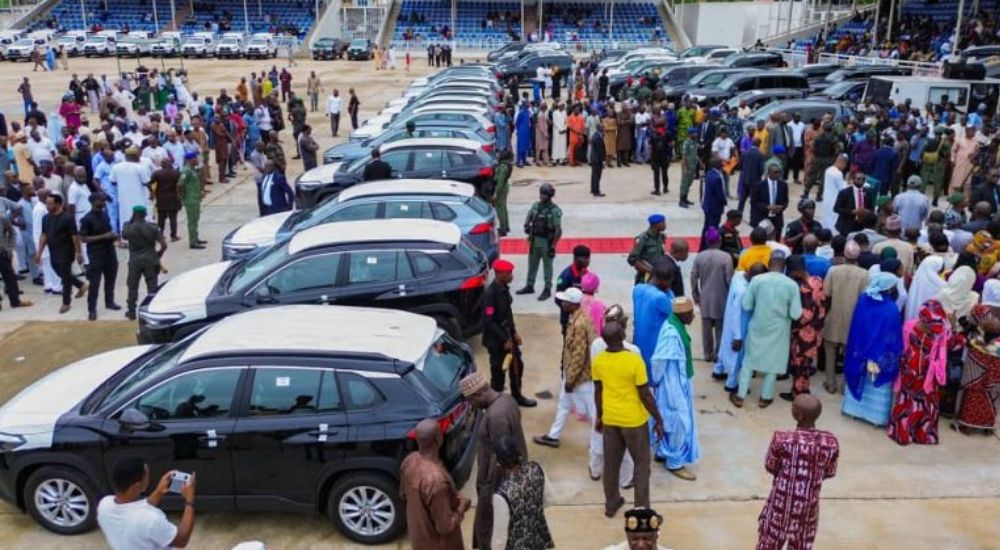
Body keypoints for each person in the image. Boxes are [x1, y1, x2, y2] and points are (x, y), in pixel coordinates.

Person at [593, 321, 665, 517]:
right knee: (641, 467)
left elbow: (598, 391)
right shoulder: (634, 361)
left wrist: (600, 416)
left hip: (611, 419)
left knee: (611, 464)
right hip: (634, 422)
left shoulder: (599, 361)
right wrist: (658, 419)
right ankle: (641, 511)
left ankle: (611, 503)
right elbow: (645, 394)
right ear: (623, 336)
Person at [756, 394, 839, 550]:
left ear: (799, 416)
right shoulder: (830, 442)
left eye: (793, 407)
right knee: (802, 543)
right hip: (808, 508)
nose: (791, 409)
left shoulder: (781, 439)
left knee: (769, 541)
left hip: (780, 505)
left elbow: (770, 466)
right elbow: (829, 472)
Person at [461, 371, 527, 550]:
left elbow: (503, 461)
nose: (472, 405)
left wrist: (488, 492)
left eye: (471, 401)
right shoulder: (506, 400)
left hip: (496, 484)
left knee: (489, 528)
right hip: (502, 480)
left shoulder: (496, 418)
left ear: (479, 394)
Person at [888, 298, 962, 446]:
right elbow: (955, 345)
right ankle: (918, 434)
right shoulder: (936, 330)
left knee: (912, 401)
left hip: (920, 372)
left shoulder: (915, 326)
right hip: (918, 372)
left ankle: (905, 432)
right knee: (920, 402)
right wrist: (953, 330)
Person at [732, 251, 802, 408]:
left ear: (769, 264)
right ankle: (765, 397)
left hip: (758, 326)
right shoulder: (791, 285)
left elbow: (746, 305)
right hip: (779, 330)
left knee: (749, 360)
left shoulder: (757, 280)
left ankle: (740, 395)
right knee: (773, 364)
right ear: (784, 267)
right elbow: (796, 314)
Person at [534, 286, 596, 449]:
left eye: (565, 301)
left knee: (591, 412)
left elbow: (579, 354)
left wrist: (571, 379)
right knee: (564, 405)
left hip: (580, 377)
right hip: (571, 374)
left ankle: (600, 442)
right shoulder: (576, 317)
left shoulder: (579, 324)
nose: (562, 303)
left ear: (572, 304)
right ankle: (553, 436)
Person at [840, 272, 904, 426]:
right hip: (881, 353)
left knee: (859, 375)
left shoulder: (863, 300)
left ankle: (852, 410)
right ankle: (876, 418)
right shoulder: (891, 309)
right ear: (889, 289)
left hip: (859, 349)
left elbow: (857, 325)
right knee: (878, 387)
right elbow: (892, 334)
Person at [649, 296, 700, 480]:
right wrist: (657, 381)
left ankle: (663, 451)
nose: (693, 317)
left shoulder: (676, 325)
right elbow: (659, 360)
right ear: (682, 314)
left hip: (679, 381)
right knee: (678, 422)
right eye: (691, 313)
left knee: (668, 418)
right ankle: (675, 462)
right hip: (672, 385)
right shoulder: (671, 333)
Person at [399, 419, 470, 550]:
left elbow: (403, 495)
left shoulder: (409, 460)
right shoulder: (436, 482)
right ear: (438, 438)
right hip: (440, 545)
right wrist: (461, 506)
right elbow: (445, 527)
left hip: (419, 540)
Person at [97, 458, 196, 550]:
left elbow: (137, 509)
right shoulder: (151, 519)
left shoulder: (104, 504)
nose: (149, 477)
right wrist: (189, 500)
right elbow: (181, 540)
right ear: (136, 486)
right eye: (147, 475)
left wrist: (159, 491)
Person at [482, 259, 535, 407]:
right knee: (499, 372)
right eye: (508, 273)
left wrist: (514, 332)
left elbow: (507, 314)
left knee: (517, 367)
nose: (511, 276)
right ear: (499, 274)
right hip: (496, 341)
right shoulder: (490, 294)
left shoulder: (504, 288)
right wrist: (504, 339)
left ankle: (517, 396)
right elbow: (488, 321)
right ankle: (495, 403)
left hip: (508, 337)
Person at [821, 240, 870, 394]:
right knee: (850, 353)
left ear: (844, 254)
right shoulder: (864, 274)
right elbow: (864, 299)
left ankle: (830, 382)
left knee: (830, 351)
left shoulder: (833, 270)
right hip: (853, 319)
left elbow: (826, 295)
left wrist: (825, 314)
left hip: (834, 315)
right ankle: (845, 384)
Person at [491, 435, 554, 550]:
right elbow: (549, 499)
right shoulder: (536, 469)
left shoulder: (501, 495)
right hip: (538, 542)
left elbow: (499, 540)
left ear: (499, 463)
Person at [779, 255, 827, 401]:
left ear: (796, 271)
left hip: (804, 333)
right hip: (817, 329)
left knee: (798, 363)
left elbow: (805, 315)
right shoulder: (817, 280)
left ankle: (797, 393)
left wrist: (793, 328)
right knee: (806, 364)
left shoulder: (803, 288)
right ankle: (805, 389)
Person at [35, 193, 86, 314]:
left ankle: (66, 302)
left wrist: (79, 253)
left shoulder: (68, 218)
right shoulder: (46, 218)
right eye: (47, 203)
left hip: (66, 251)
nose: (47, 206)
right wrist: (39, 253)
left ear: (58, 204)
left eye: (50, 203)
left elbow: (75, 236)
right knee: (60, 272)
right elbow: (44, 236)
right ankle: (81, 285)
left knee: (65, 276)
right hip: (54, 250)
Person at [691, 227, 733, 362]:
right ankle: (718, 353)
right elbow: (729, 279)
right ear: (719, 240)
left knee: (706, 329)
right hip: (722, 297)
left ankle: (707, 354)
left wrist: (695, 293)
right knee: (721, 328)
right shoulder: (726, 257)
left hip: (705, 298)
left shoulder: (700, 256)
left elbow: (693, 276)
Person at [78, 192, 120, 320]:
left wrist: (114, 237)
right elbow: (83, 239)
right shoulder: (86, 219)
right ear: (94, 202)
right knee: (95, 283)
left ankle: (109, 302)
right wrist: (104, 236)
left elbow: (108, 232)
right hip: (96, 254)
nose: (103, 202)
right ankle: (92, 309)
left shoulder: (105, 215)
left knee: (110, 279)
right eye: (101, 200)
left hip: (110, 251)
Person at [121, 205, 167, 320]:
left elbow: (124, 235)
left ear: (133, 214)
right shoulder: (153, 227)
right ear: (145, 215)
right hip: (150, 260)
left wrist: (132, 220)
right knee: (152, 285)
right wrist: (159, 254)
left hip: (135, 260)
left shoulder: (128, 227)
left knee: (132, 286)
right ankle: (151, 310)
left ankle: (131, 311)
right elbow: (164, 245)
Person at [517, 183, 562, 300]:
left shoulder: (554, 210)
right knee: (532, 264)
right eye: (541, 193)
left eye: (545, 194)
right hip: (534, 240)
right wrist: (526, 224)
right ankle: (529, 285)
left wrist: (553, 245)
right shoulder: (536, 206)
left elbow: (558, 230)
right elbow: (530, 215)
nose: (542, 196)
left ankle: (547, 289)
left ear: (550, 196)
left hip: (546, 242)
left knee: (547, 267)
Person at [632, 260, 675, 370]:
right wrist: (669, 290)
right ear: (663, 280)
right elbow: (674, 308)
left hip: (638, 340)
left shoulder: (638, 289)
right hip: (655, 343)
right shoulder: (660, 297)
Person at [110, 147, 152, 229]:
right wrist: (152, 192)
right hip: (139, 197)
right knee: (141, 215)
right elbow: (147, 182)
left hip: (123, 198)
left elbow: (113, 182)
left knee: (125, 215)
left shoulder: (116, 167)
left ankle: (126, 237)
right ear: (135, 156)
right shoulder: (140, 167)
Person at [750, 163, 789, 239]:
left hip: (777, 218)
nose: (777, 174)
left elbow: (786, 201)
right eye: (775, 172)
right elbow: (754, 202)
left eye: (779, 172)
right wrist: (767, 207)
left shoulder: (783, 185)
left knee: (777, 240)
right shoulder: (759, 185)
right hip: (762, 217)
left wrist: (781, 208)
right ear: (769, 173)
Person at [627, 214, 666, 286]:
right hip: (645, 279)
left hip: (659, 277)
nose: (665, 225)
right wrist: (650, 271)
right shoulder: (643, 239)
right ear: (656, 225)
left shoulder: (661, 237)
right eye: (663, 223)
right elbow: (632, 259)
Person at [178, 152, 205, 249]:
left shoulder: (193, 170)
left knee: (195, 219)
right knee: (192, 221)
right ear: (189, 160)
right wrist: (182, 197)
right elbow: (180, 184)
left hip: (195, 198)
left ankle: (195, 238)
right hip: (190, 199)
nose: (197, 160)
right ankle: (193, 242)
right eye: (195, 158)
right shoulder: (187, 171)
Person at [833, 171, 873, 236]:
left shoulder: (868, 192)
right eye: (858, 179)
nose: (861, 181)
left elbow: (871, 207)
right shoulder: (845, 192)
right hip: (846, 225)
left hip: (862, 225)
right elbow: (836, 208)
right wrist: (852, 212)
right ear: (853, 179)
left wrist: (867, 211)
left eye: (863, 179)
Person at [150, 158, 181, 242]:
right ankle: (173, 236)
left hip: (161, 198)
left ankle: (160, 235)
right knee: (173, 218)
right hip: (173, 198)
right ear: (170, 163)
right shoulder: (176, 173)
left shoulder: (156, 173)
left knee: (161, 218)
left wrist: (152, 193)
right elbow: (180, 185)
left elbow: (150, 183)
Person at [819, 154, 848, 232]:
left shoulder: (829, 170)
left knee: (826, 218)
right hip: (834, 199)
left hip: (827, 199)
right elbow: (842, 188)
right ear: (841, 162)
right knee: (833, 220)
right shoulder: (838, 173)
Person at [702, 156, 727, 244]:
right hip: (714, 208)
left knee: (706, 227)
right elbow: (720, 195)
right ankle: (710, 246)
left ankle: (703, 246)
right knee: (713, 228)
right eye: (721, 163)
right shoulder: (717, 178)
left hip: (707, 206)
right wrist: (724, 202)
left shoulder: (709, 174)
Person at [679, 127, 699, 208]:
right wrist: (685, 168)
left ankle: (686, 198)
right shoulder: (686, 143)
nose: (696, 134)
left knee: (689, 183)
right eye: (694, 133)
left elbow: (694, 154)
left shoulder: (694, 142)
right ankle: (681, 200)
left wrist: (700, 163)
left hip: (693, 166)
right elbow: (684, 156)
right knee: (684, 184)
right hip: (687, 167)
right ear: (690, 134)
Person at [590, 125, 607, 197]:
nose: (604, 129)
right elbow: (600, 150)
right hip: (597, 159)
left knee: (594, 175)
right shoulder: (598, 138)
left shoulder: (596, 135)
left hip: (594, 158)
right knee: (597, 176)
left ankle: (593, 189)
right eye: (602, 128)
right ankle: (596, 191)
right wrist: (603, 161)